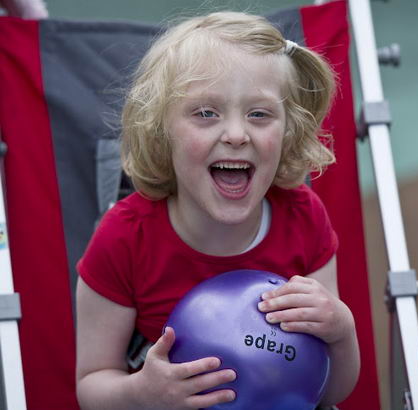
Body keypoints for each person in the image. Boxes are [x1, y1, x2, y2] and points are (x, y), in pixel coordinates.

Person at [76, 11, 360, 410]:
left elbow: (329, 392)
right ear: (161, 131)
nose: (236, 135)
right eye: (206, 113)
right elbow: (92, 384)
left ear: (288, 131)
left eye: (259, 114)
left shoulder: (303, 218)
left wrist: (341, 332)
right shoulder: (124, 237)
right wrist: (141, 393)